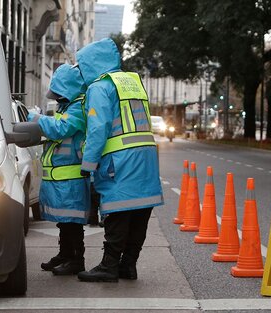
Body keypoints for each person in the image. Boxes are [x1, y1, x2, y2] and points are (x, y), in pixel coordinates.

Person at [75, 38, 164, 282]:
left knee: (118, 211)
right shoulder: (132, 81)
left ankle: (109, 266)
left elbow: (98, 129)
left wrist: (88, 165)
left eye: (82, 66)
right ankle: (128, 265)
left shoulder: (100, 87)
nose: (81, 72)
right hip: (146, 157)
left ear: (92, 64)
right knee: (140, 211)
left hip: (120, 160)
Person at [28, 63, 90, 275]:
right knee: (65, 221)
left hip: (72, 176)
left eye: (59, 94)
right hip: (63, 176)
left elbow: (60, 128)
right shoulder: (68, 105)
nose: (56, 99)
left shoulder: (79, 107)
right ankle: (65, 254)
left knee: (72, 221)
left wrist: (34, 118)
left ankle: (76, 260)